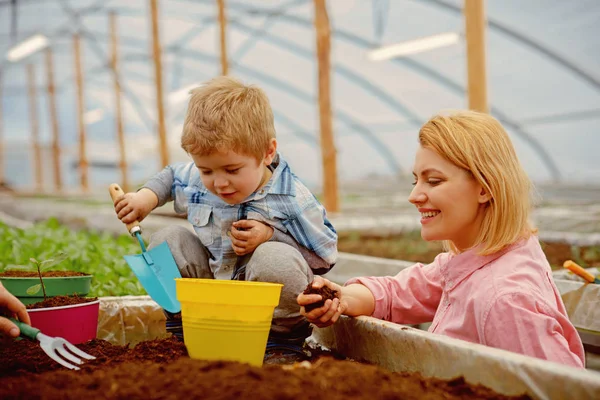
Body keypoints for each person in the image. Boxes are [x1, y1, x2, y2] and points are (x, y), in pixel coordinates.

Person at [298, 110, 585, 368]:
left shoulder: (505, 300)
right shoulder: (477, 261)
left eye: (433, 181)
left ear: (485, 188)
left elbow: (560, 387)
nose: (414, 195)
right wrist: (342, 298)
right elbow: (403, 292)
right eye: (416, 180)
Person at [114, 76, 338, 363]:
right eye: (206, 171)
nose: (219, 183)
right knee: (167, 240)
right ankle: (186, 330)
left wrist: (271, 235)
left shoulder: (292, 199)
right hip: (211, 294)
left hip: (265, 311)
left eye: (232, 170)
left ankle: (280, 344)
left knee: (275, 258)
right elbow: (172, 176)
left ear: (267, 152)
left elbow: (326, 257)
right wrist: (145, 198)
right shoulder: (199, 178)